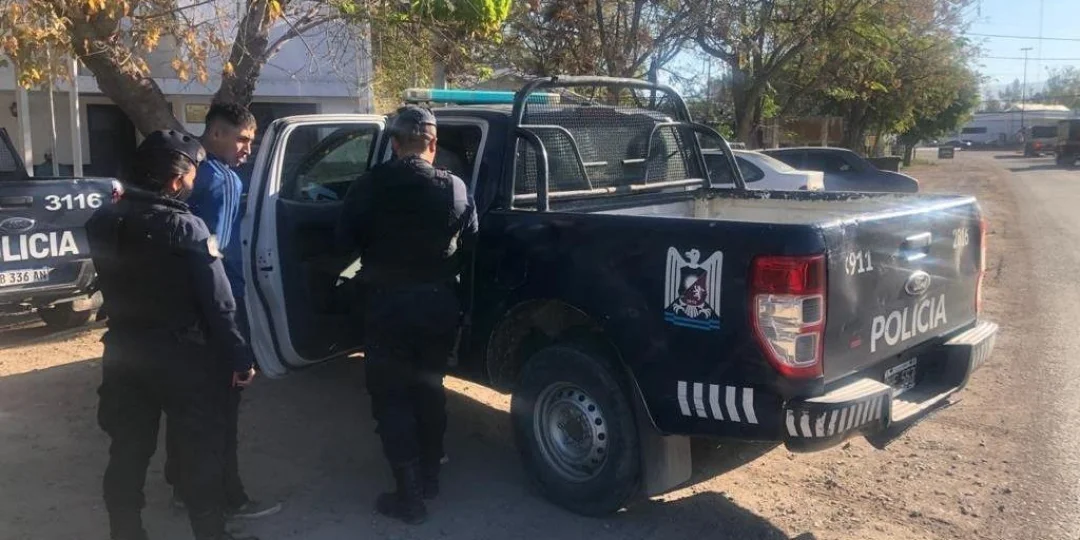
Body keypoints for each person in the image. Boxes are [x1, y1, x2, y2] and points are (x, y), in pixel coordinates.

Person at [87, 130, 257, 540]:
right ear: (176, 180)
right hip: (184, 359)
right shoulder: (187, 227)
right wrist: (239, 357)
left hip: (124, 353)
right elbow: (219, 303)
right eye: (193, 175)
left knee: (127, 451)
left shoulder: (103, 220)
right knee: (199, 451)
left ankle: (126, 532)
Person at [337, 105, 478, 524]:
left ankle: (410, 497)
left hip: (388, 306)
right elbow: (472, 243)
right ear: (433, 144)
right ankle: (430, 477)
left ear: (395, 144)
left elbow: (344, 242)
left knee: (392, 397)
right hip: (437, 306)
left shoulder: (367, 185)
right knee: (430, 389)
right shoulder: (455, 187)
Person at [163, 103, 281, 520]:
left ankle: (181, 486)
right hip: (217, 308)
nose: (247, 149)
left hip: (178, 312)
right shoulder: (222, 179)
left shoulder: (182, 173)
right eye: (242, 139)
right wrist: (233, 327)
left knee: (186, 406)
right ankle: (229, 496)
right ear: (216, 134)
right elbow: (218, 257)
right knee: (222, 411)